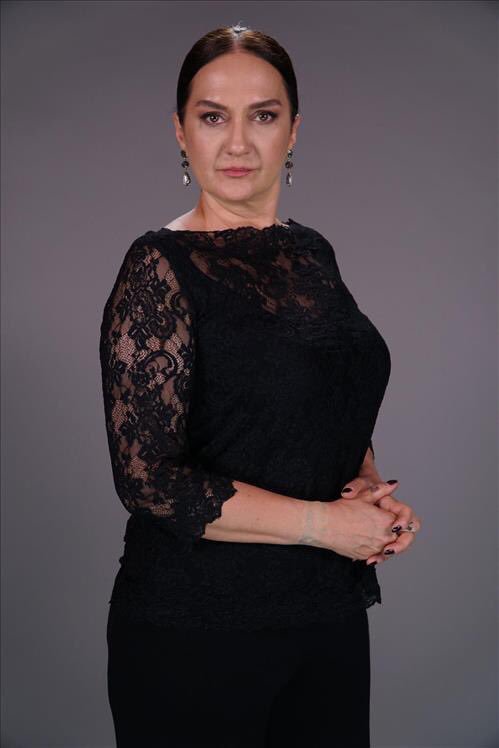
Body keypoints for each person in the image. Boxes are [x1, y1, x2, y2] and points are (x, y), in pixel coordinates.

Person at [99, 22, 422, 748]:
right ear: (181, 131)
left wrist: (367, 490)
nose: (238, 143)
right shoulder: (158, 268)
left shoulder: (310, 252)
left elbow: (324, 397)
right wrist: (326, 526)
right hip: (196, 632)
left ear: (294, 130)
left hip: (326, 615)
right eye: (213, 117)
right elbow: (149, 480)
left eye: (263, 115)